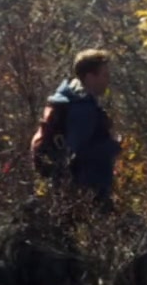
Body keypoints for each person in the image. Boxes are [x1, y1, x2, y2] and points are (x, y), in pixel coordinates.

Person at [44, 48, 122, 211]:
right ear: (89, 77)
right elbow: (76, 152)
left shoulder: (71, 99)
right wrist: (112, 146)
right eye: (104, 75)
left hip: (74, 193)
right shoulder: (82, 109)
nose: (108, 80)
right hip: (85, 193)